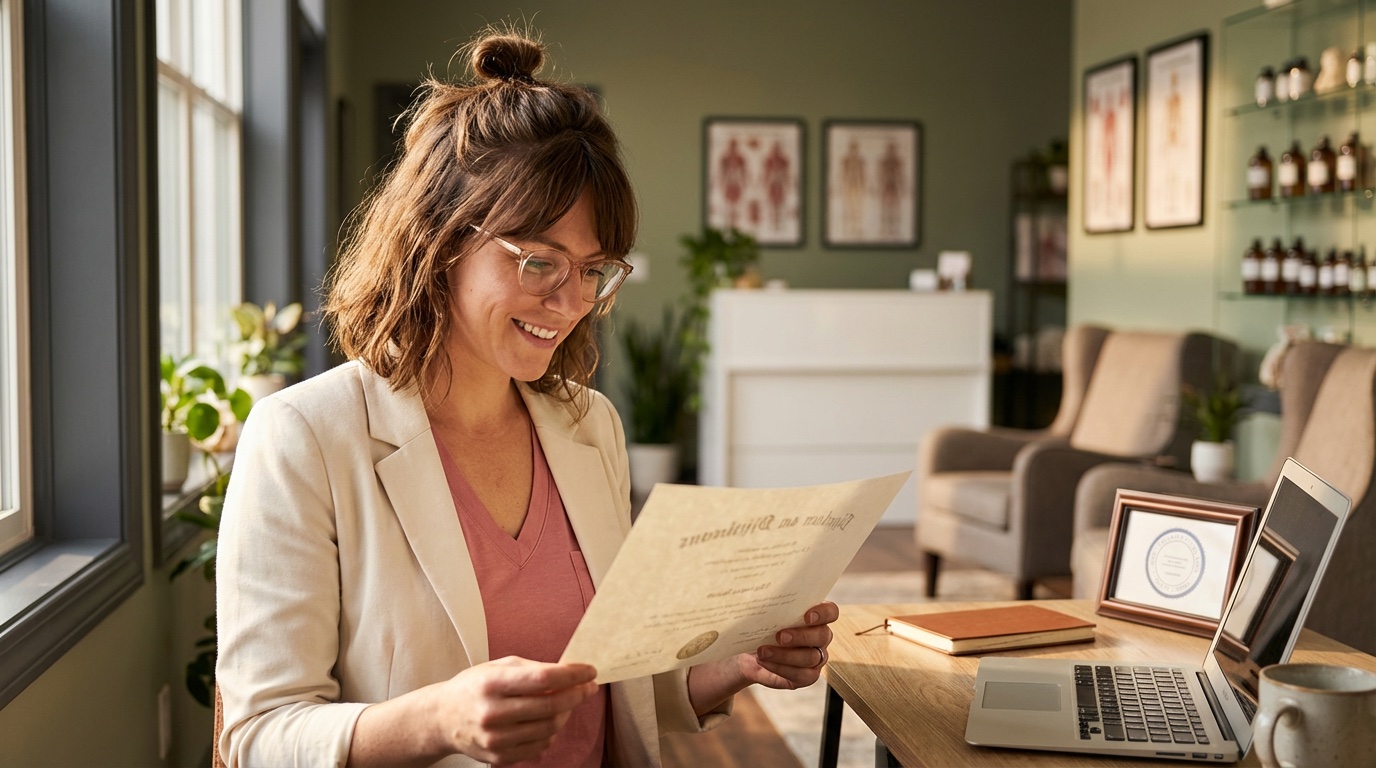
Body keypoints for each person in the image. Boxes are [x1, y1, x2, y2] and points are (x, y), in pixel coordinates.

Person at [215, 28, 840, 768]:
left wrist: (734, 667)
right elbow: (257, 737)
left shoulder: (590, 425)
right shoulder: (304, 438)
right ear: (439, 239)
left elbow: (616, 686)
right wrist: (437, 721)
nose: (569, 300)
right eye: (538, 260)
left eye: (595, 271)